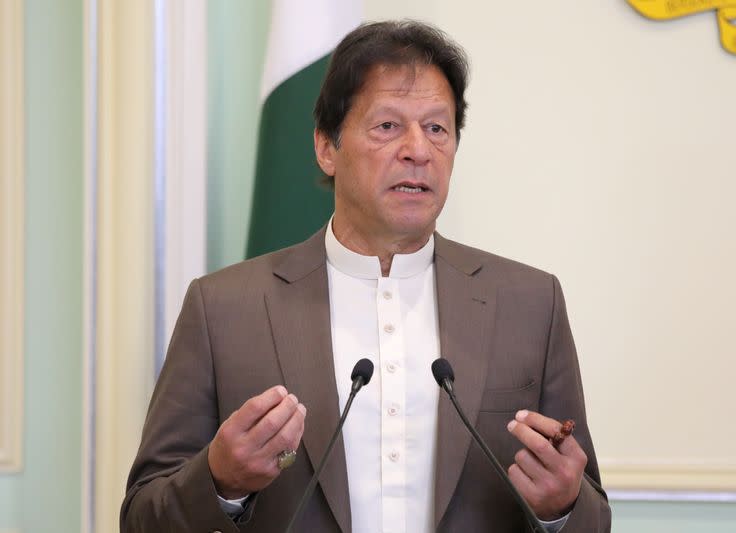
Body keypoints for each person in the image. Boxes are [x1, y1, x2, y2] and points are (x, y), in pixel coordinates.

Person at [121, 20, 611, 533]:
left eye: (437, 128)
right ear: (327, 148)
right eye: (388, 126)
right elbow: (141, 518)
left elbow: (592, 515)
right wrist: (220, 481)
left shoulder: (531, 304)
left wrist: (562, 508)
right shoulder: (222, 309)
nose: (419, 150)